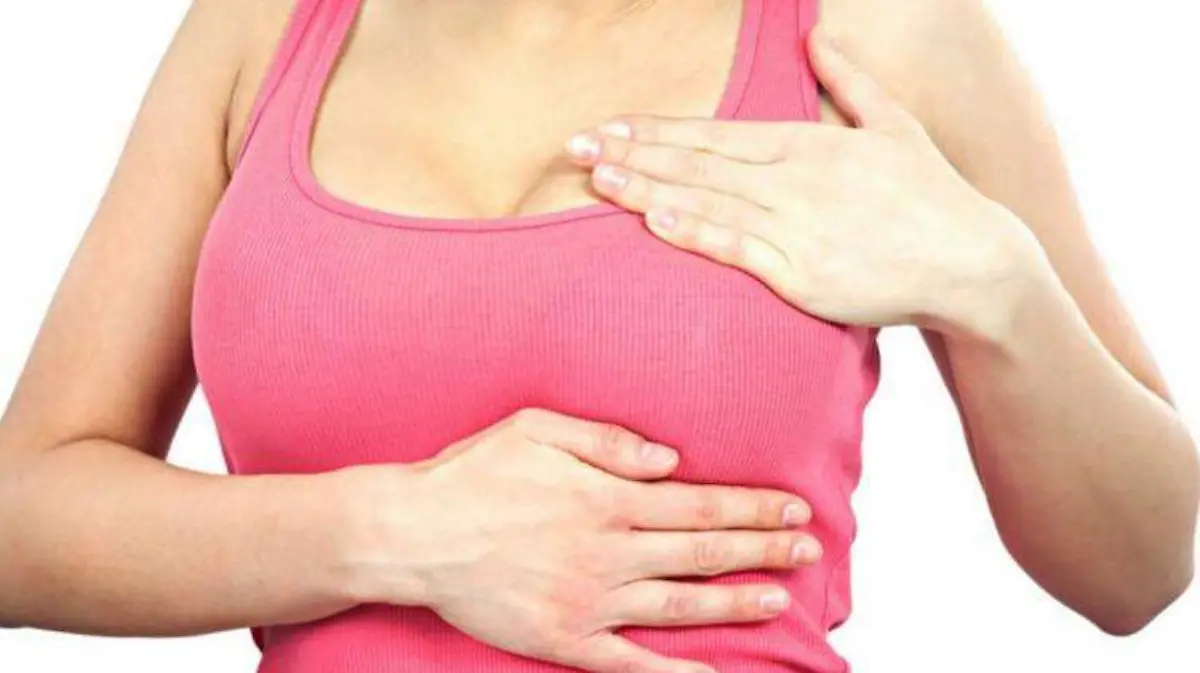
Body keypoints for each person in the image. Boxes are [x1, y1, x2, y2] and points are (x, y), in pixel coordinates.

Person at [0, 0, 1196, 671]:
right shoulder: (263, 27)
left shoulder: (880, 31)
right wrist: (400, 533)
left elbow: (1138, 571)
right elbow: (23, 523)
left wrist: (996, 285)